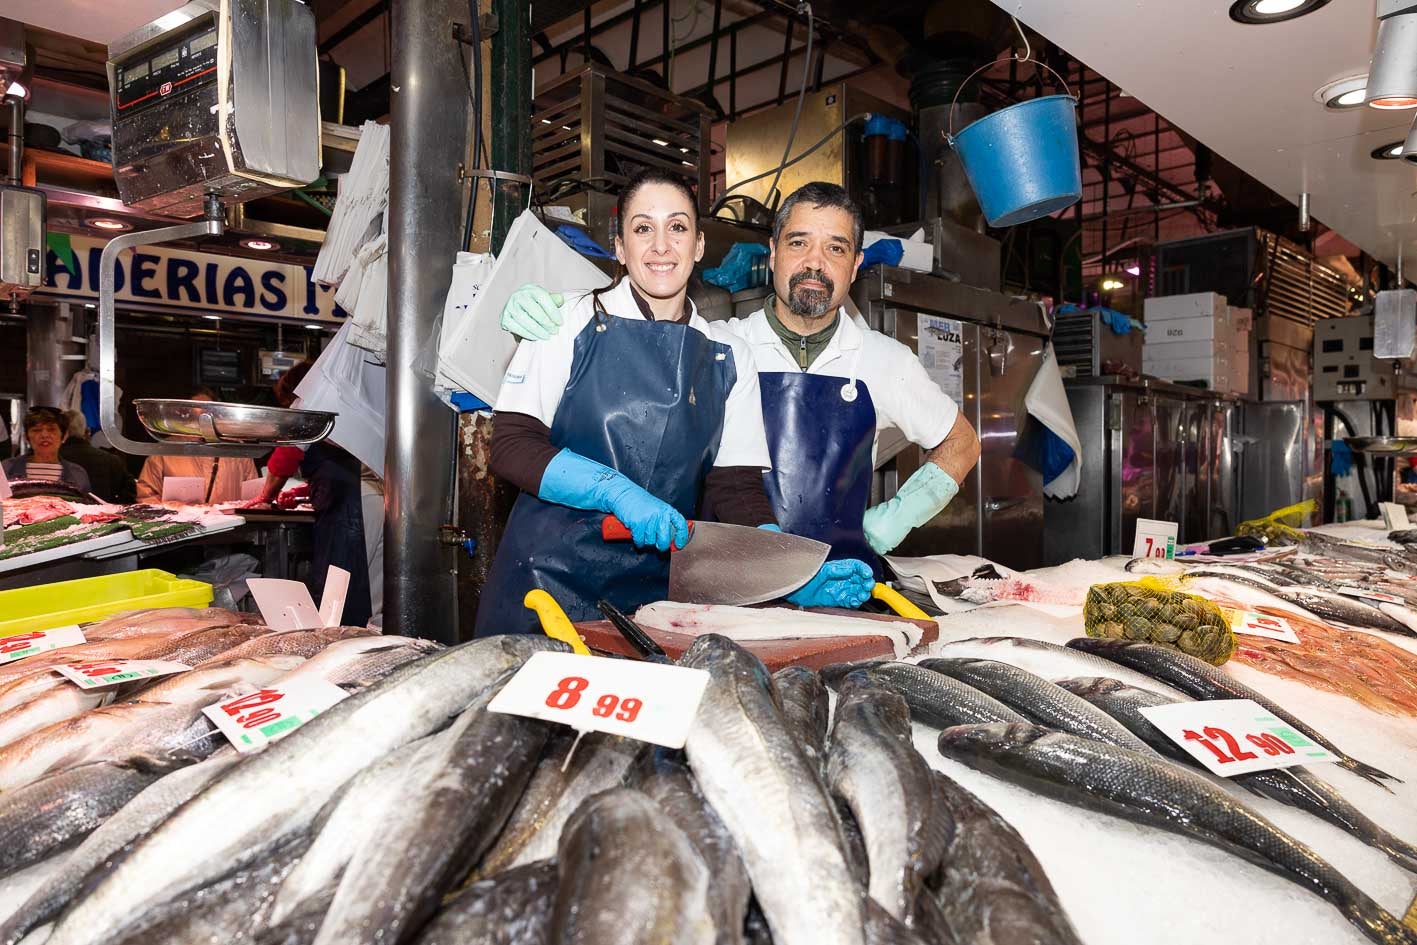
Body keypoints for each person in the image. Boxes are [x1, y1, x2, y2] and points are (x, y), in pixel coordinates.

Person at [501, 181, 981, 573]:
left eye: (835, 248)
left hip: (833, 574)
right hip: (703, 577)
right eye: (798, 243)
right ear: (772, 254)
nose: (814, 262)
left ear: (856, 265)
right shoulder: (725, 345)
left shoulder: (884, 361)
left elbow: (963, 442)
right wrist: (539, 317)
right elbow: (515, 440)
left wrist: (888, 524)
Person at [476, 169, 874, 637]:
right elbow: (511, 445)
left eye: (678, 227)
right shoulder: (567, 319)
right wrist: (614, 491)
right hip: (544, 590)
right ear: (620, 247)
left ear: (699, 245)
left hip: (656, 606)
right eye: (644, 228)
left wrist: (788, 573)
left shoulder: (728, 355)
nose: (661, 246)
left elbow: (736, 492)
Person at [251, 362, 378, 628]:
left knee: (339, 585)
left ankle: (337, 644)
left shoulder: (308, 402)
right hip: (372, 500)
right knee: (368, 584)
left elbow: (285, 458)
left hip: (347, 509)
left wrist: (265, 496)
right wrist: (304, 491)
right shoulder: (348, 399)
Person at [135, 388, 259, 504]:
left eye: (208, 409)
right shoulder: (166, 449)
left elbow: (253, 495)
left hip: (232, 525)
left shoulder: (236, 447)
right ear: (183, 412)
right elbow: (146, 496)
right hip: (184, 525)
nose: (202, 414)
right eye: (195, 408)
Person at [2, 406, 93, 493]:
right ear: (26, 437)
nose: (44, 435)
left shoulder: (77, 474)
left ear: (64, 436)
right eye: (37, 430)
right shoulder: (6, 469)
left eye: (51, 429)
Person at [59, 411, 136, 504]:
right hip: (105, 515)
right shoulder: (111, 460)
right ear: (87, 432)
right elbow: (129, 494)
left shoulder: (53, 459)